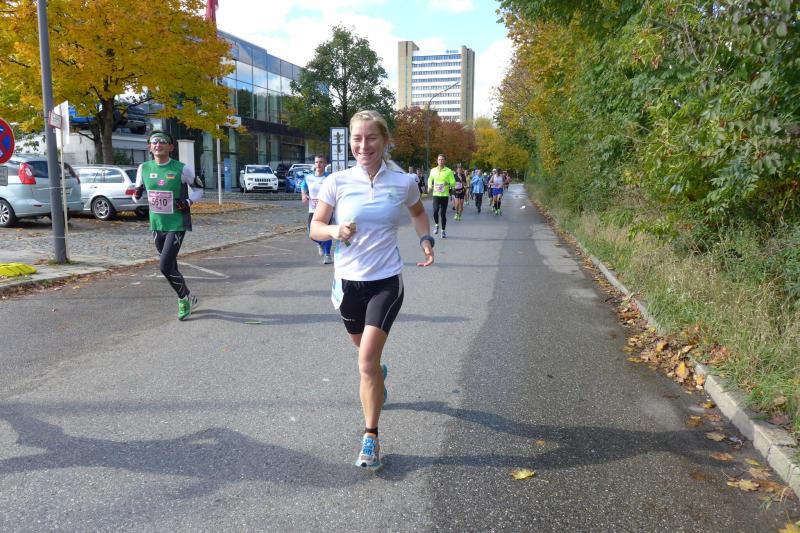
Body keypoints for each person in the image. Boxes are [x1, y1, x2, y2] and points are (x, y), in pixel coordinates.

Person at [309, 110, 434, 470]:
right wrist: (334, 231)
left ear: (385, 140)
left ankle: (371, 437)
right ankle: (379, 376)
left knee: (365, 362)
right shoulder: (336, 181)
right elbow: (315, 227)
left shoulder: (403, 181)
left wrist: (425, 239)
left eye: (371, 138)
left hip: (385, 281)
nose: (363, 145)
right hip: (348, 283)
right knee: (367, 358)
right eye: (357, 138)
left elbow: (417, 213)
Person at [133, 131, 203, 320]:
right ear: (150, 147)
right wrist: (136, 194)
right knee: (172, 266)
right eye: (154, 142)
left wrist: (188, 202)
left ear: (171, 147)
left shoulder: (182, 169)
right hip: (156, 224)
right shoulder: (143, 168)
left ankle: (183, 300)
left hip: (176, 223)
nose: (158, 144)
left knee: (164, 266)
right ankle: (190, 297)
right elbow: (137, 193)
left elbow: (199, 190)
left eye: (163, 141)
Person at [301, 154, 333, 264]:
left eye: (321, 162)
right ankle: (320, 244)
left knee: (325, 232)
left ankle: (327, 255)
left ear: (325, 164)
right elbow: (303, 186)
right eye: (316, 162)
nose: (318, 164)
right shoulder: (308, 177)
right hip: (312, 209)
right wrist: (304, 195)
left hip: (326, 209)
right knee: (311, 233)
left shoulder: (329, 178)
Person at [427, 154, 456, 238]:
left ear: (445, 161)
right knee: (435, 211)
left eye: (442, 159)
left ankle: (443, 230)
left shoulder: (449, 171)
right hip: (436, 194)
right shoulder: (433, 170)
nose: (441, 161)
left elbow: (453, 182)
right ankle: (436, 225)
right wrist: (429, 186)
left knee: (443, 214)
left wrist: (448, 183)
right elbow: (430, 179)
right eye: (439, 159)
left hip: (444, 195)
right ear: (437, 161)